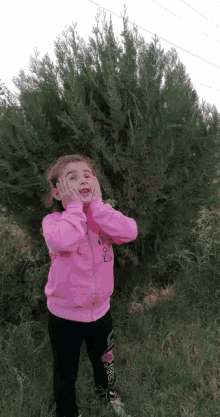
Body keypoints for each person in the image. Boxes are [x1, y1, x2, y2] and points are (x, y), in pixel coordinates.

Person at [42, 158, 138, 417]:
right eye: (71, 177)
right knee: (66, 369)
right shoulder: (54, 223)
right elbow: (65, 240)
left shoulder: (102, 217)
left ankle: (108, 396)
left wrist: (97, 205)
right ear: (56, 192)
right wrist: (74, 206)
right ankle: (67, 411)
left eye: (87, 175)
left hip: (101, 312)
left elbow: (130, 231)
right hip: (65, 316)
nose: (82, 180)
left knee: (104, 361)